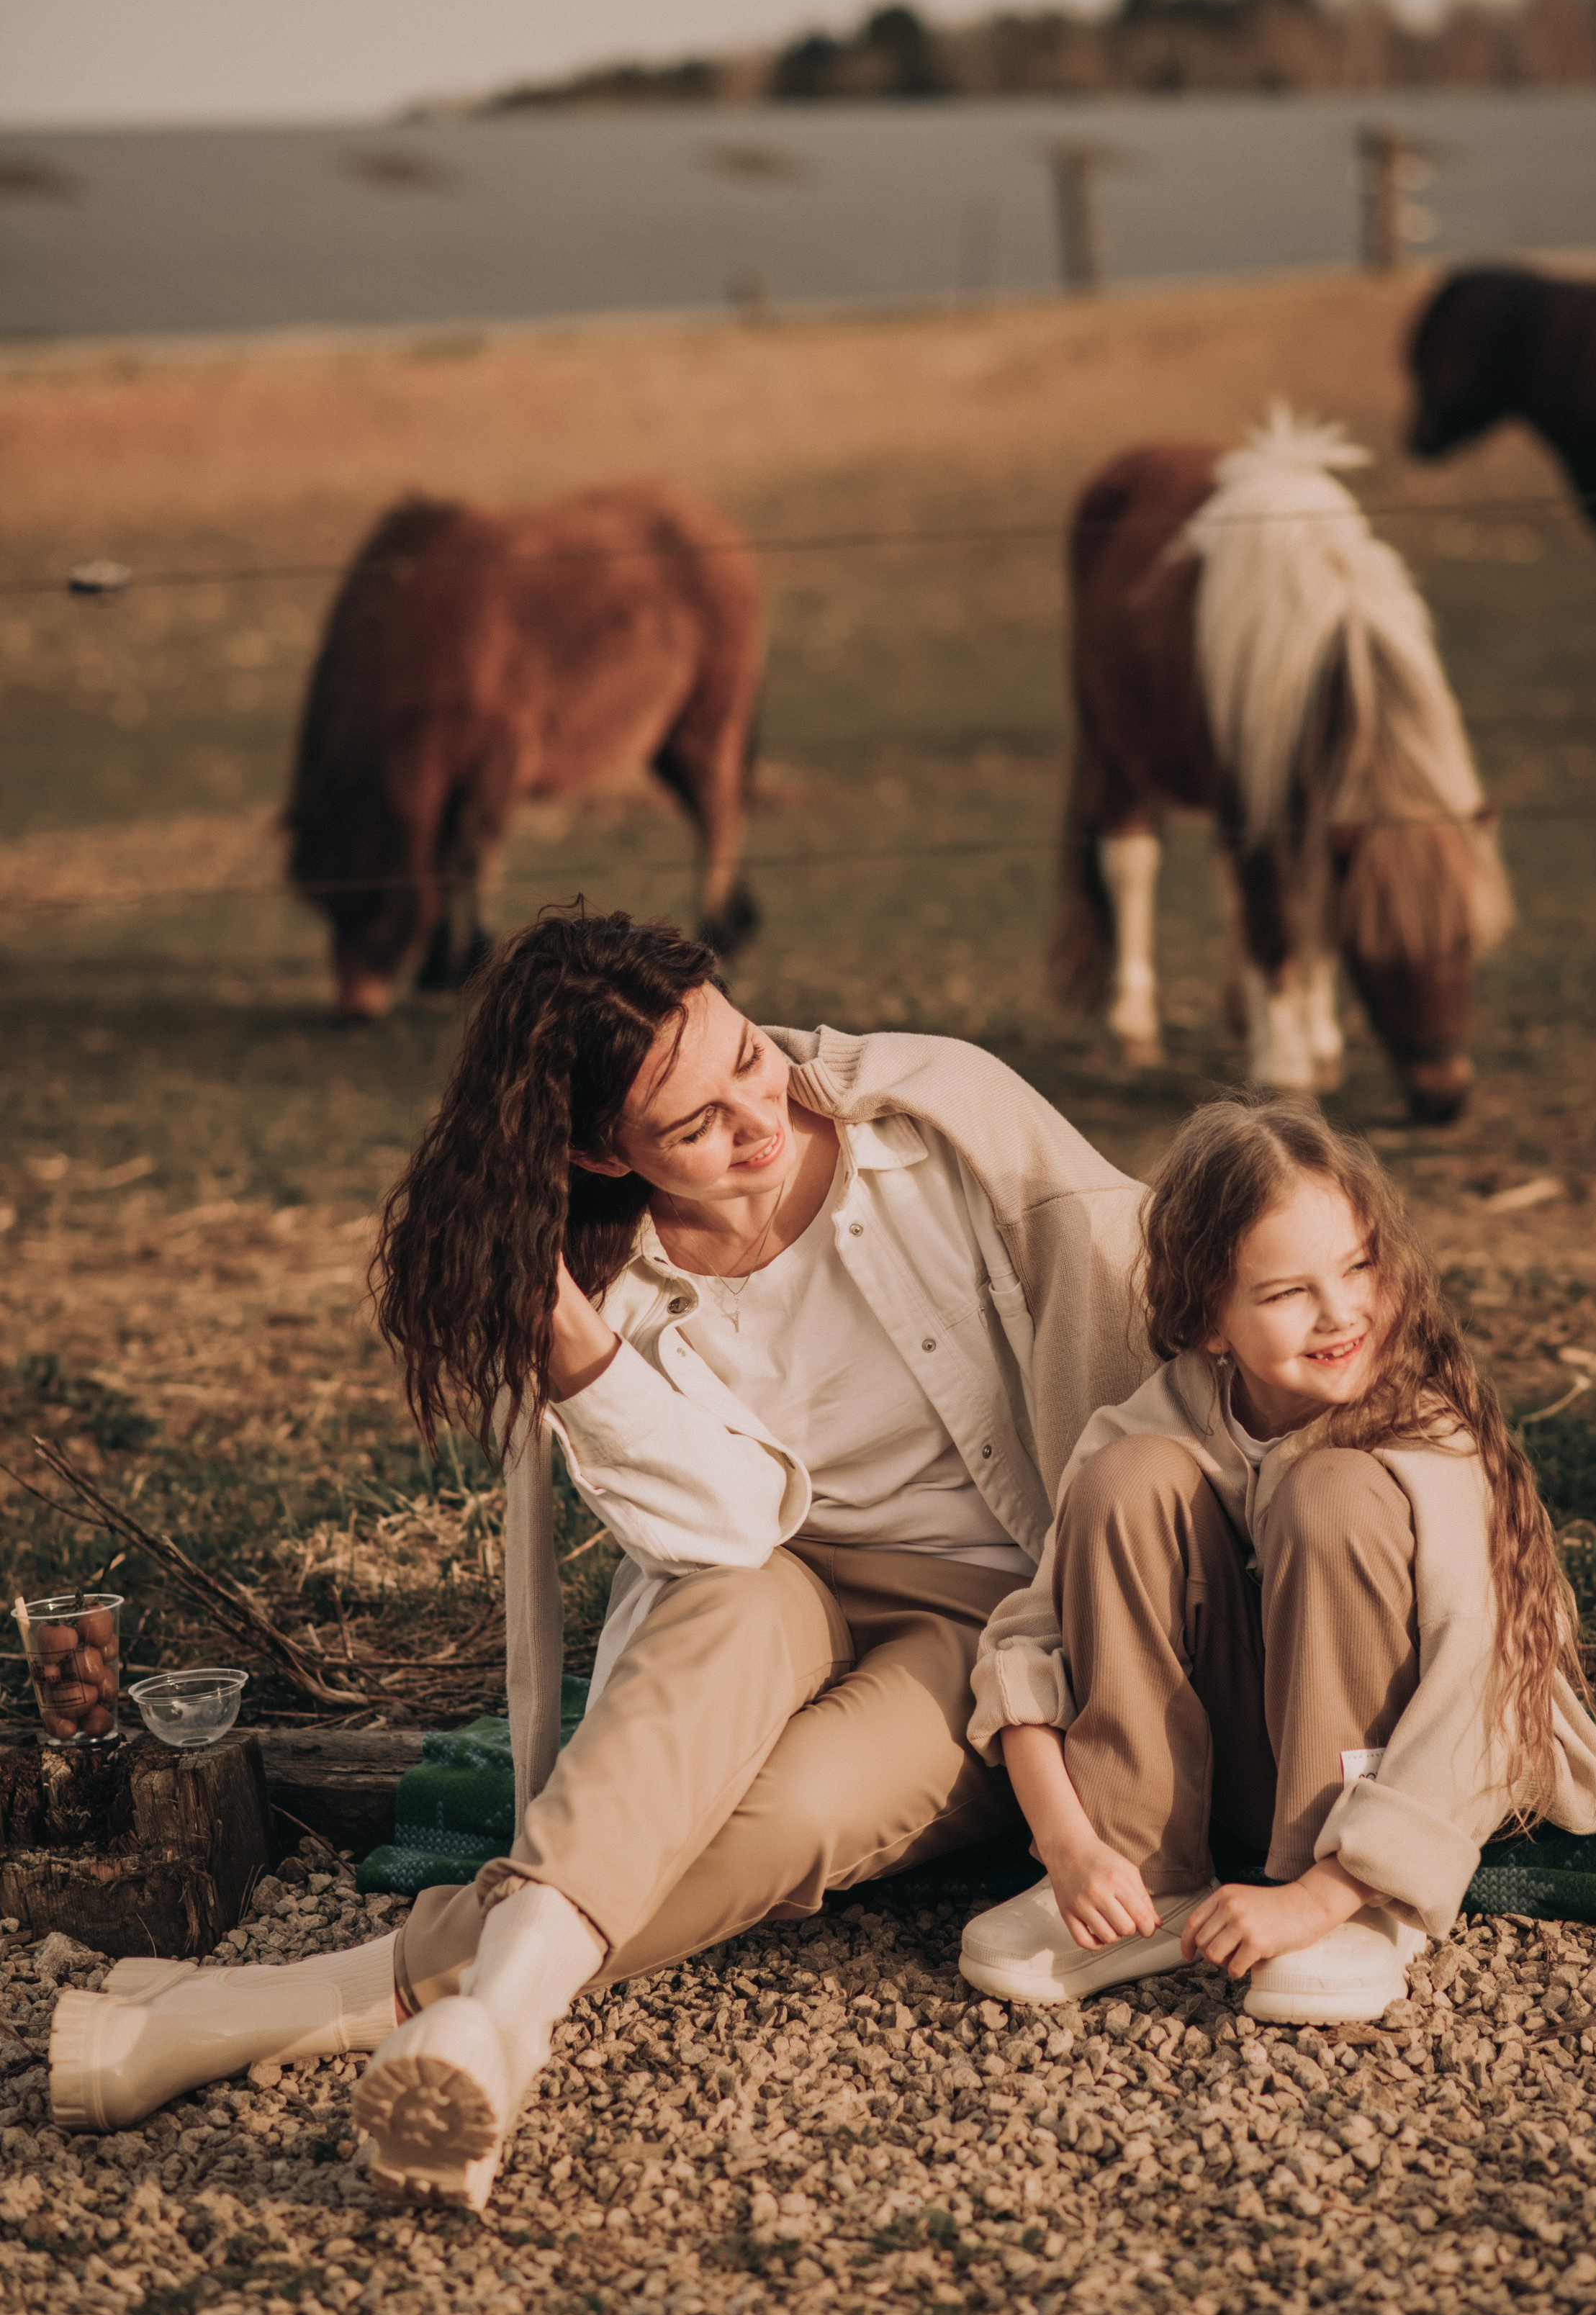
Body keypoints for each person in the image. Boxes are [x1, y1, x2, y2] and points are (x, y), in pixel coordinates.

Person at [50, 907, 1149, 2205]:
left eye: (750, 1055)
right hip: (772, 1575)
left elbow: (1144, 1329)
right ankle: (490, 2036)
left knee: (783, 1815)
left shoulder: (937, 1119)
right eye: (695, 1126)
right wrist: (580, 1352)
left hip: (1001, 1606)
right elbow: (731, 1530)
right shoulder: (601, 1272)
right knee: (732, 1611)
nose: (760, 1119)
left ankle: (281, 2016)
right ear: (595, 1149)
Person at [960, 1095, 1596, 2023]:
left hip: (1386, 1795)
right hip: (1230, 1766)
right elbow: (1030, 1645)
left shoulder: (1424, 1432)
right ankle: (1147, 1872)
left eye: (1358, 1268)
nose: (1342, 1312)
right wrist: (1070, 1845)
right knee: (1123, 1478)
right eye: (1286, 1293)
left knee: (1331, 1493)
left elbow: (1480, 1685)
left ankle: (1357, 1899)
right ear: (1209, 1325)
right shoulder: (1165, 1412)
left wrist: (1325, 1894)